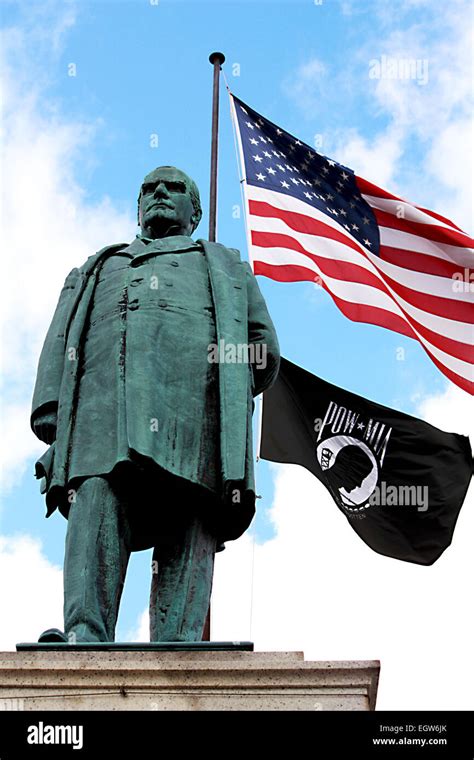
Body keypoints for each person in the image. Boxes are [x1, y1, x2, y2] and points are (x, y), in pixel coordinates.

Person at [31, 166, 280, 642]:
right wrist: (52, 404)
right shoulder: (98, 266)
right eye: (149, 188)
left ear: (197, 210)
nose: (160, 194)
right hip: (104, 413)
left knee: (191, 511)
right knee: (97, 500)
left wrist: (225, 375)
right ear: (139, 206)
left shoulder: (225, 267)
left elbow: (263, 347)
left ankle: (180, 639)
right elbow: (61, 336)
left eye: (174, 188)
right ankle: (85, 632)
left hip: (194, 412)